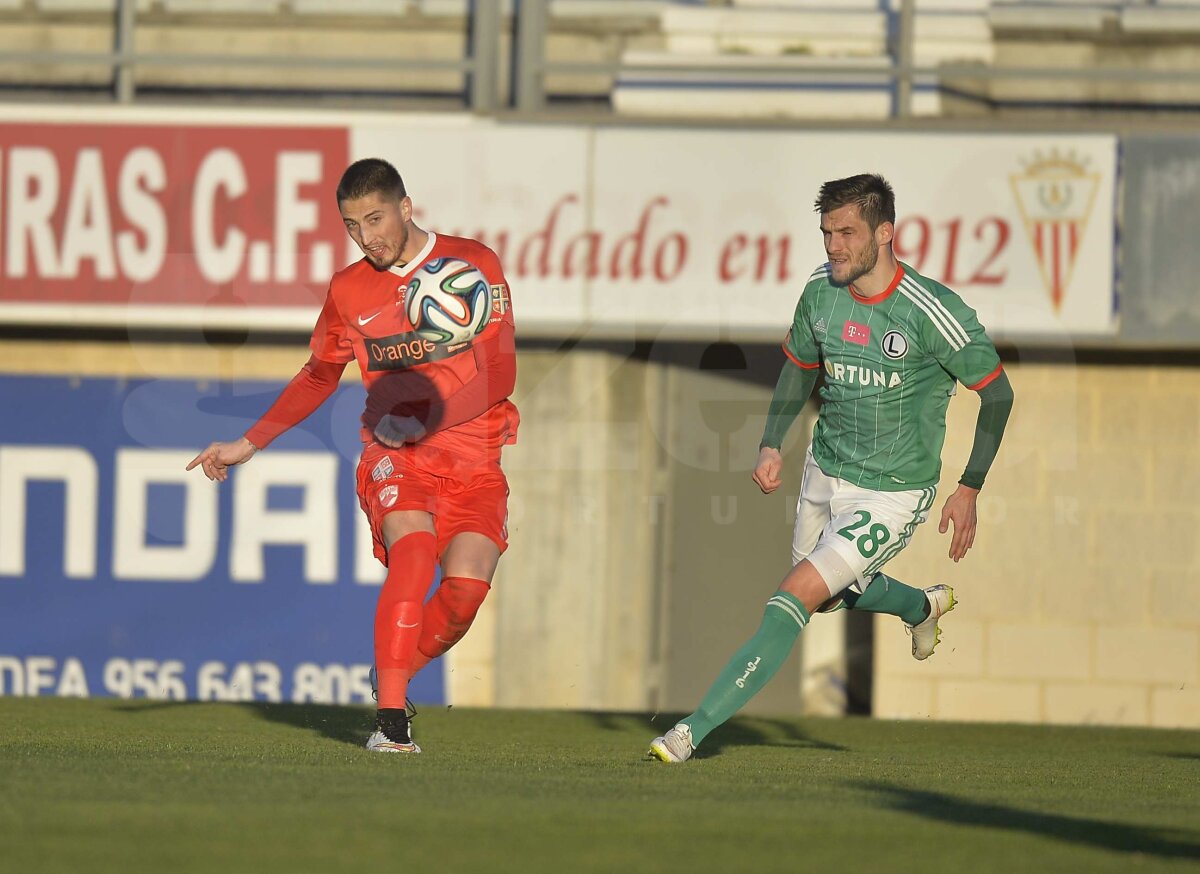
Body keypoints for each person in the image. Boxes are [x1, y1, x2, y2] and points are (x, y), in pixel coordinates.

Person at [648, 173, 1014, 763]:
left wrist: (969, 486)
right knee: (831, 597)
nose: (833, 246)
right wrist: (772, 442)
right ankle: (922, 606)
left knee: (794, 595)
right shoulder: (821, 290)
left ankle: (690, 731)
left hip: (893, 492)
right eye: (826, 232)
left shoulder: (931, 311)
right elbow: (798, 366)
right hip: (825, 465)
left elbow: (997, 394)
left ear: (885, 232)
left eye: (847, 232)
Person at [188, 158, 519, 754]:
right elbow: (318, 375)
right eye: (352, 225)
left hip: (475, 458)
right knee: (413, 555)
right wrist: (249, 442)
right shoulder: (349, 289)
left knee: (465, 595)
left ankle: (393, 672)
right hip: (396, 451)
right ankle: (392, 723)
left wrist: (434, 412)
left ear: (406, 207)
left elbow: (500, 374)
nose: (368, 238)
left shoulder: (474, 264)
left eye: (376, 218)